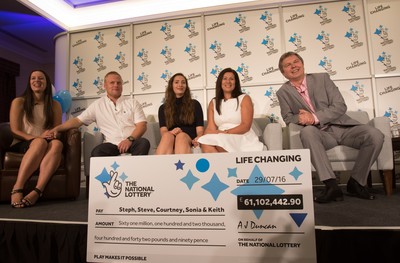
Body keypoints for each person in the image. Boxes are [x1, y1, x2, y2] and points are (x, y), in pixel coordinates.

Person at [276, 51, 384, 203]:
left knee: (376, 135)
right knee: (307, 133)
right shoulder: (282, 92)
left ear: (302, 63)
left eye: (296, 62)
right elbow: (287, 118)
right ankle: (331, 186)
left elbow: (340, 106)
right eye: (288, 65)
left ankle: (357, 182)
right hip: (321, 134)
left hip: (344, 128)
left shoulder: (322, 78)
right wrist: (300, 117)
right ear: (283, 72)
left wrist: (313, 117)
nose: (293, 66)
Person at [50, 71, 150, 157]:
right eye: (112, 82)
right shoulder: (97, 105)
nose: (116, 85)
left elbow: (142, 126)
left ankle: (135, 175)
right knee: (97, 152)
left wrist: (129, 140)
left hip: (132, 142)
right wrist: (57, 129)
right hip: (112, 145)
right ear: (105, 85)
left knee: (144, 143)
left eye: (118, 83)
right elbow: (77, 121)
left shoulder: (132, 102)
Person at [9, 70, 63, 208]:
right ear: (29, 82)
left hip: (45, 141)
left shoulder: (55, 105)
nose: (37, 81)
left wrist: (53, 134)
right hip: (23, 141)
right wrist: (37, 137)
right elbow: (15, 130)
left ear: (47, 83)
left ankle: (38, 190)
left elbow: (57, 129)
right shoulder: (19, 102)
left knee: (57, 144)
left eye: (41, 78)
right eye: (33, 78)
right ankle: (18, 187)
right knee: (39, 142)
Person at [198, 68, 264, 153]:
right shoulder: (213, 102)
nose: (228, 82)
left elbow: (245, 126)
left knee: (220, 140)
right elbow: (210, 128)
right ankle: (223, 166)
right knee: (205, 141)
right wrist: (202, 137)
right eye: (225, 79)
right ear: (220, 82)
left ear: (236, 83)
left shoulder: (244, 98)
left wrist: (224, 133)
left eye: (231, 79)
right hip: (221, 135)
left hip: (241, 135)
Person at [156, 73, 204, 154]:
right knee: (167, 136)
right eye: (177, 82)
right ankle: (160, 166)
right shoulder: (163, 108)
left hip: (188, 137)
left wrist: (198, 138)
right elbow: (163, 131)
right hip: (171, 136)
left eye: (183, 82)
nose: (180, 85)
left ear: (186, 86)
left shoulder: (195, 104)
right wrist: (171, 132)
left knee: (181, 136)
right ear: (171, 85)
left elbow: (200, 130)